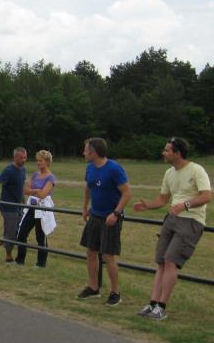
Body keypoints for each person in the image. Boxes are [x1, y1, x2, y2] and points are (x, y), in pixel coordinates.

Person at [132, 137, 211, 321]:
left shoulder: (196, 170)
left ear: (177, 153)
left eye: (167, 150)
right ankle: (152, 304)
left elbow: (207, 196)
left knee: (170, 261)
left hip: (191, 220)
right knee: (161, 261)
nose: (164, 153)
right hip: (171, 219)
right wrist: (148, 206)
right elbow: (163, 199)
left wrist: (185, 205)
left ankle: (161, 307)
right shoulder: (169, 173)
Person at [77, 137, 132, 306]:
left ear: (93, 152)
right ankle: (93, 287)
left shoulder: (114, 169)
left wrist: (116, 213)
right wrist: (85, 207)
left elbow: (127, 193)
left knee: (108, 255)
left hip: (111, 218)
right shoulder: (90, 168)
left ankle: (115, 293)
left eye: (86, 150)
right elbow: (88, 187)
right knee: (90, 252)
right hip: (95, 215)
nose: (83, 152)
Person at [15, 150, 57, 267]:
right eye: (37, 160)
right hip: (31, 208)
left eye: (40, 161)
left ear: (47, 162)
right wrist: (36, 191)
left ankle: (40, 263)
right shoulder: (34, 175)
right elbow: (25, 190)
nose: (38, 163)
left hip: (42, 210)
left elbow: (43, 194)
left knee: (40, 237)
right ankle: (20, 260)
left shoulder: (51, 177)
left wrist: (33, 191)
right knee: (22, 233)